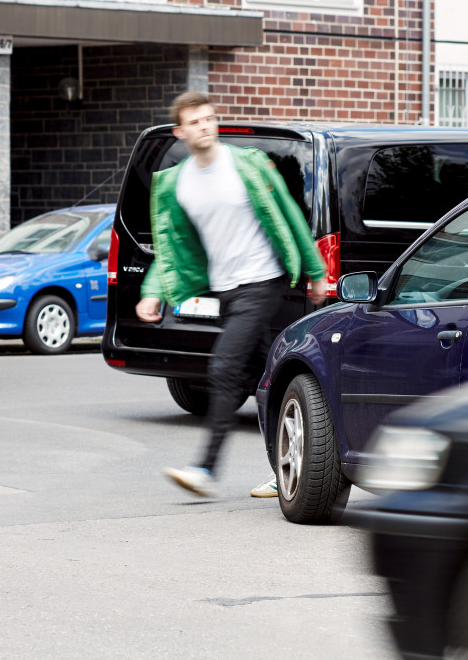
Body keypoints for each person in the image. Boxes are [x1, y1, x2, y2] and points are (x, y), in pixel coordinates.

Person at [137, 91, 327, 498]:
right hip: (226, 291)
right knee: (268, 375)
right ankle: (295, 463)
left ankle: (205, 468)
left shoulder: (247, 164)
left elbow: (289, 215)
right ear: (180, 132)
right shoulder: (176, 183)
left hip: (263, 280)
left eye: (209, 119)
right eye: (195, 122)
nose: (204, 126)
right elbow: (171, 246)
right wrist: (153, 291)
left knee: (224, 368)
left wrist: (315, 271)